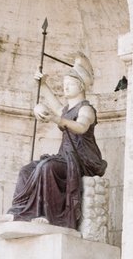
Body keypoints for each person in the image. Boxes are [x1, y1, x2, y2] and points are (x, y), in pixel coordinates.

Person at [8, 56, 106, 230]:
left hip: (82, 160)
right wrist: (42, 83)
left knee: (47, 167)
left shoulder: (86, 109)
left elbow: (82, 127)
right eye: (64, 83)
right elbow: (53, 103)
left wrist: (56, 119)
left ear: (81, 85)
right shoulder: (66, 110)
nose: (65, 87)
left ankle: (47, 215)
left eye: (70, 83)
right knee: (27, 170)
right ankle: (19, 211)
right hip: (65, 157)